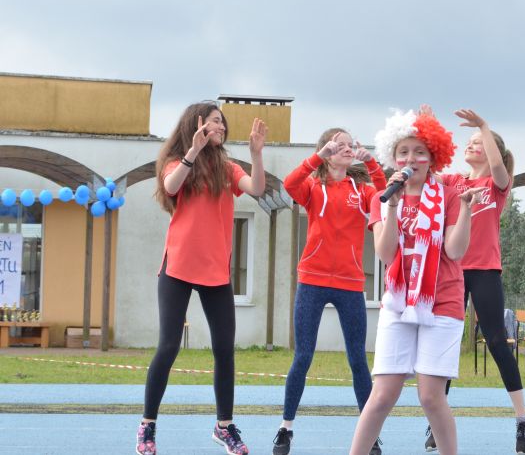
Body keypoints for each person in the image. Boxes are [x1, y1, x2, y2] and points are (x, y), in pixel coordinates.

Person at [348, 109, 484, 455]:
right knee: (382, 394)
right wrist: (393, 207)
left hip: (442, 303)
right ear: (393, 158)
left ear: (433, 157)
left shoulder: (449, 195)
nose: (411, 159)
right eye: (403, 152)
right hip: (398, 302)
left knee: (430, 396)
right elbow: (386, 253)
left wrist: (466, 211)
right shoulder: (383, 198)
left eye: (419, 151)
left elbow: (454, 251)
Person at [137, 101, 267, 455]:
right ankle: (147, 425)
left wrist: (256, 155)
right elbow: (171, 186)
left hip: (215, 272)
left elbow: (256, 188)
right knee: (168, 346)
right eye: (214, 121)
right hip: (177, 269)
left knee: (224, 349)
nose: (221, 127)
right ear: (197, 125)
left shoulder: (227, 167)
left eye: (223, 123)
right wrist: (193, 151)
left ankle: (224, 427)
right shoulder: (178, 161)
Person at [421, 106, 525, 454]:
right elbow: (424, 170)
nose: (470, 145)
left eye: (478, 142)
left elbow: (499, 169)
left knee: (497, 341)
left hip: (484, 270)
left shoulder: (495, 185)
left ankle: (522, 417)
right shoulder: (452, 182)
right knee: (447, 341)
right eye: (468, 141)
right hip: (452, 271)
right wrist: (424, 129)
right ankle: (436, 420)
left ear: (492, 150)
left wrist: (484, 125)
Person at [272, 128, 387, 455]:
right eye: (340, 145)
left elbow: (385, 195)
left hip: (350, 283)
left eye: (351, 145)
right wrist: (317, 157)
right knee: (303, 356)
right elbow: (289, 184)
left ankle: (370, 435)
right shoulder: (313, 186)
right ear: (327, 150)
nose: (348, 149)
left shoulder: (361, 190)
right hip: (312, 279)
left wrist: (372, 162)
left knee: (357, 359)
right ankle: (285, 428)